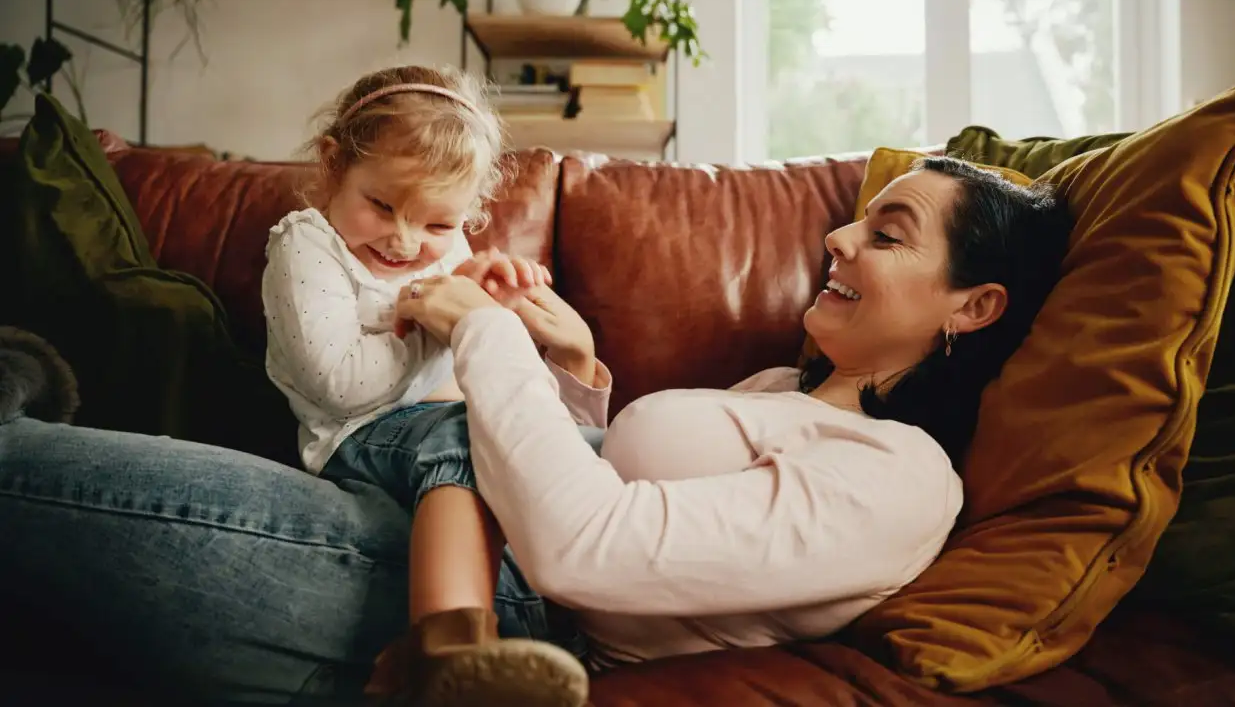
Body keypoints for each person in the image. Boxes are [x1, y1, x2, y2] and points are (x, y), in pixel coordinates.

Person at [0, 153, 1072, 706]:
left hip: (491, 605)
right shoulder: (772, 391)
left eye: (885, 233)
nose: (837, 236)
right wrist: (572, 367)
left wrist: (485, 339)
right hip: (433, 501)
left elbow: (587, 547)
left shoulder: (904, 476)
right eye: (857, 215)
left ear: (972, 307)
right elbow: (596, 473)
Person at [260, 64, 603, 707]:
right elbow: (340, 385)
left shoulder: (445, 251)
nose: (406, 239)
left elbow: (497, 387)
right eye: (382, 205)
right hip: (359, 438)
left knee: (584, 448)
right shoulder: (307, 245)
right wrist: (440, 323)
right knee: (467, 433)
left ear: (467, 214)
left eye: (440, 225)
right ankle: (444, 652)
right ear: (333, 165)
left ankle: (529, 651)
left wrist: (497, 314)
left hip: (446, 435)